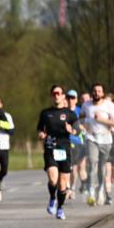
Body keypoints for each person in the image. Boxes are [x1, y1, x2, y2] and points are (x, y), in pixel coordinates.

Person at [37, 85, 78, 220]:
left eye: (59, 93)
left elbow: (78, 130)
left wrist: (71, 130)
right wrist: (42, 134)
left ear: (63, 96)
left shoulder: (70, 114)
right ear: (51, 95)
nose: (56, 95)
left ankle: (60, 207)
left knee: (62, 184)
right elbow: (40, 129)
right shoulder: (45, 113)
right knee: (53, 179)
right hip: (50, 147)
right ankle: (52, 199)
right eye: (54, 93)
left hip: (65, 149)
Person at [81, 83, 114, 206]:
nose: (96, 93)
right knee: (92, 163)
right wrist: (84, 127)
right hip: (91, 138)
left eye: (99, 91)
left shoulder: (109, 105)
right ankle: (91, 193)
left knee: (101, 167)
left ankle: (101, 190)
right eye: (94, 91)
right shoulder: (86, 105)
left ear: (102, 93)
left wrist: (102, 120)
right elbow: (81, 118)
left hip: (106, 139)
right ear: (92, 92)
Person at [0, 96, 15, 202]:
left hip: (4, 146)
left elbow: (11, 131)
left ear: (1, 105)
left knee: (4, 169)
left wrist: (0, 123)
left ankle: (0, 178)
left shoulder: (7, 116)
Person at [66, 89, 85, 201]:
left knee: (75, 168)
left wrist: (78, 128)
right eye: (68, 97)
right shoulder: (62, 111)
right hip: (65, 142)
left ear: (76, 99)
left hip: (77, 141)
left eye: (72, 98)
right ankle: (68, 188)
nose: (70, 100)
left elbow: (85, 125)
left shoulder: (80, 111)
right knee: (66, 167)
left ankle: (72, 187)